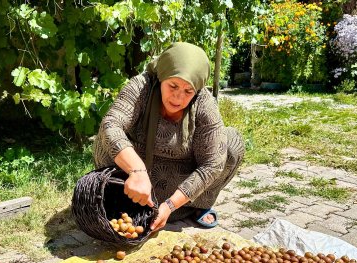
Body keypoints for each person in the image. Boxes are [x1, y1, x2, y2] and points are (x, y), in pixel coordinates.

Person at [93, 42, 244, 232]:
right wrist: (137, 171)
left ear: (197, 90)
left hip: (180, 182)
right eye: (173, 86)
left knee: (230, 145)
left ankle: (193, 207)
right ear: (162, 76)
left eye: (188, 91)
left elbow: (213, 164)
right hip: (136, 181)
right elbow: (111, 124)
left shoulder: (204, 103)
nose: (178, 98)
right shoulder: (142, 87)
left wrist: (169, 206)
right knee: (106, 136)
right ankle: (121, 201)